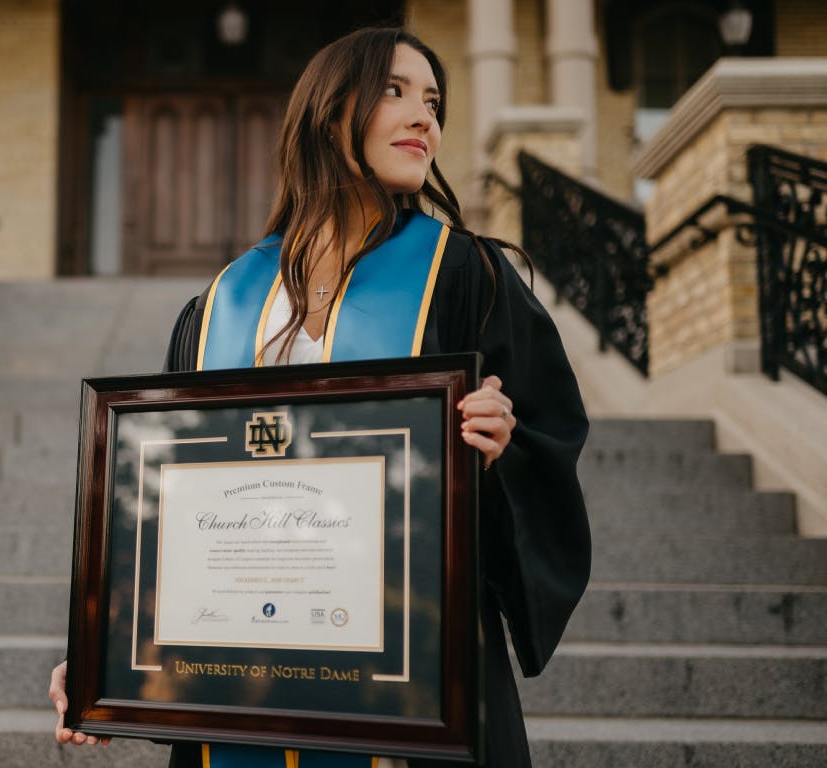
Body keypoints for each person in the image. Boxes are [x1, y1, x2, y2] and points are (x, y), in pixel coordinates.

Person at [50, 26, 590, 768]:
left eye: (434, 102)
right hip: (244, 693)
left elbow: (546, 450)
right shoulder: (221, 304)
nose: (424, 117)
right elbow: (166, 510)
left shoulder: (466, 278)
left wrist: (500, 453)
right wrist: (104, 652)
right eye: (395, 91)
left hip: (410, 694)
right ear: (329, 113)